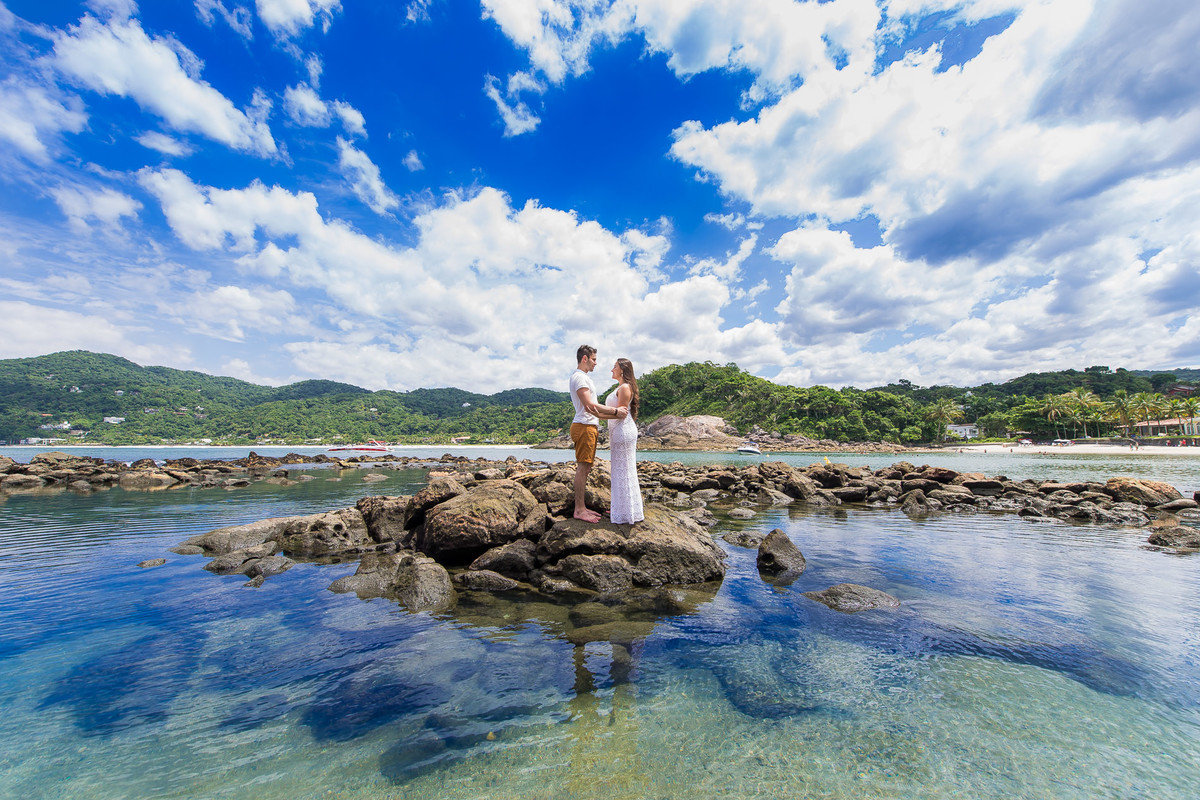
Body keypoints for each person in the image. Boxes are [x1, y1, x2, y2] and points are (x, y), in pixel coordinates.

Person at [569, 345, 627, 523]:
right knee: (583, 467)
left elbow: (594, 410)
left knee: (586, 467)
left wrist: (614, 415)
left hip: (588, 426)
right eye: (594, 359)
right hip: (584, 426)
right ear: (584, 358)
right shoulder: (579, 377)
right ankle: (579, 510)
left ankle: (582, 507)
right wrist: (615, 411)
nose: (596, 363)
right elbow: (589, 406)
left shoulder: (584, 378)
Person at [605, 358, 644, 525]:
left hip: (623, 431)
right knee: (620, 470)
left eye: (614, 367)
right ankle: (622, 508)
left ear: (622, 369)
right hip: (618, 432)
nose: (612, 369)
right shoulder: (621, 387)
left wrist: (595, 412)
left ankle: (626, 512)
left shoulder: (625, 387)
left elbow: (620, 413)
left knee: (624, 471)